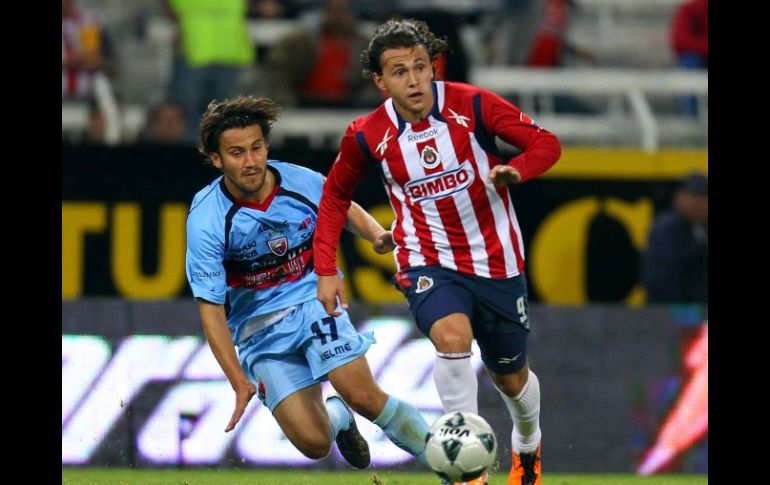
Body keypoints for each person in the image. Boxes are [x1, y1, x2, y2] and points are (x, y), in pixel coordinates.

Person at [313, 19, 562, 485]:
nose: (413, 80)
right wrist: (326, 268)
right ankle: (467, 472)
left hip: (497, 262)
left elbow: (546, 144)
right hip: (427, 258)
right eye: (400, 71)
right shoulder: (368, 134)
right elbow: (333, 198)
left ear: (433, 68)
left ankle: (528, 449)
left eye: (420, 68)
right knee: (451, 338)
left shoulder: (473, 105)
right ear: (380, 81)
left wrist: (518, 171)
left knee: (511, 377)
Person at [185, 95, 430, 470]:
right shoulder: (206, 219)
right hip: (258, 332)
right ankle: (338, 419)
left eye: (256, 148)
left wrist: (377, 234)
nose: (250, 162)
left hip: (312, 301)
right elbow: (211, 308)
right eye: (236, 153)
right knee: (314, 443)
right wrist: (236, 379)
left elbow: (340, 206)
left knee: (364, 395)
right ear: (216, 159)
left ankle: (450, 465)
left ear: (266, 145)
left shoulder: (298, 181)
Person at [642, 172, 708, 304]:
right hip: (672, 313)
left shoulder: (702, 228)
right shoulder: (666, 229)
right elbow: (660, 281)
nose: (698, 203)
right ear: (679, 197)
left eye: (703, 197)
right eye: (693, 196)